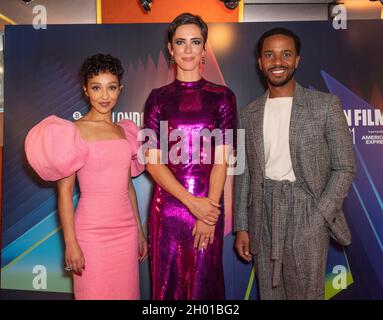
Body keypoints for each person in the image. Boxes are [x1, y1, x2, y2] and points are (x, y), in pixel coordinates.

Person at [234, 28, 356, 300]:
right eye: (270, 55)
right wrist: (242, 226)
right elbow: (244, 173)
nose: (278, 62)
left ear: (297, 60)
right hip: (263, 213)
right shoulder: (248, 114)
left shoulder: (324, 105)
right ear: (260, 62)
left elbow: (345, 167)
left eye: (285, 54)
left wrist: (320, 215)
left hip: (307, 210)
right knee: (270, 293)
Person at [25, 53, 147, 300]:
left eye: (111, 88)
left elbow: (128, 188)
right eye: (97, 88)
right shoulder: (73, 132)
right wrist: (71, 243)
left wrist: (139, 230)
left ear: (120, 89)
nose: (104, 96)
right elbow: (64, 194)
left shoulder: (124, 131)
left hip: (126, 232)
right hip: (91, 233)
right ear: (85, 90)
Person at [144, 13, 237, 300]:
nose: (187, 50)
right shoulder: (157, 98)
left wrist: (207, 214)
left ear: (204, 48)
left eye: (194, 42)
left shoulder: (223, 96)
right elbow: (152, 162)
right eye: (180, 42)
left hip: (209, 209)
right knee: (167, 288)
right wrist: (190, 203)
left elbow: (223, 160)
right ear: (170, 50)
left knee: (204, 289)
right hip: (168, 210)